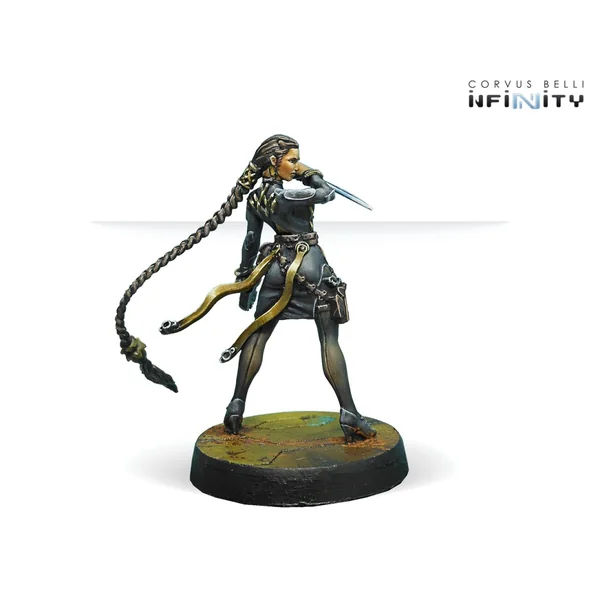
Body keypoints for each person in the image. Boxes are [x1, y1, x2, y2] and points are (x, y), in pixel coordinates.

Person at [115, 134, 375, 443]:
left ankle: (236, 406)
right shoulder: (288, 196)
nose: (296, 165)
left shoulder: (256, 200)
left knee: (258, 333)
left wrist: (245, 281)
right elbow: (327, 193)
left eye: (297, 161)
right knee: (328, 339)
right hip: (311, 266)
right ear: (274, 162)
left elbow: (251, 242)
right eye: (292, 160)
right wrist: (310, 173)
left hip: (276, 267)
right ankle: (348, 412)